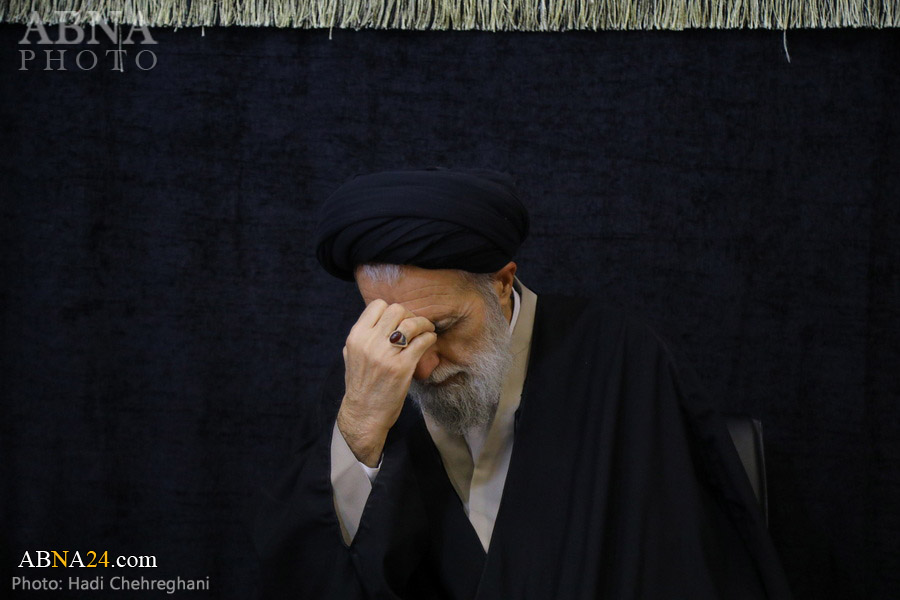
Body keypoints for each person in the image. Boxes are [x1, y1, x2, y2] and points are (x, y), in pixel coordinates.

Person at [254, 168, 792, 599]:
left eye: (444, 329)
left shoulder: (618, 354)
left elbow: (668, 561)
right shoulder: (364, 377)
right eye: (396, 334)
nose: (423, 366)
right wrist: (361, 427)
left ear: (501, 281)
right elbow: (310, 574)